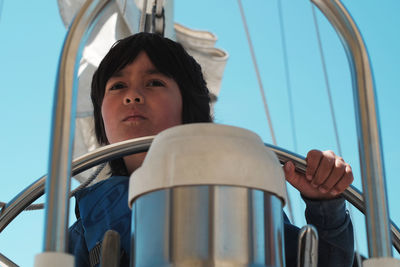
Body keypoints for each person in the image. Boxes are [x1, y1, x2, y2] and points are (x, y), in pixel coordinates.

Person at [68, 32, 354, 267]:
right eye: (117, 86)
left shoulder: (243, 195)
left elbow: (326, 263)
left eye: (154, 82)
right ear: (100, 117)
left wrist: (324, 205)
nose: (132, 95)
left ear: (190, 107)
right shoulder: (84, 231)